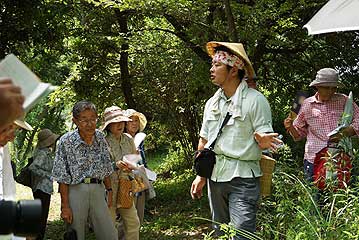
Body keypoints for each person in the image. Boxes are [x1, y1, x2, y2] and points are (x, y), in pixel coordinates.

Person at [190, 41, 281, 239]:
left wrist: (264, 142)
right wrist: (201, 175)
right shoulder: (211, 103)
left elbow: (266, 137)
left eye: (217, 65)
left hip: (243, 178)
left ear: (233, 71)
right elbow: (204, 140)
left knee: (241, 235)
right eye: (212, 64)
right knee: (219, 233)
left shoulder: (256, 100)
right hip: (215, 177)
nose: (211, 69)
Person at [51, 100, 117, 240]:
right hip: (76, 190)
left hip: (98, 190)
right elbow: (62, 176)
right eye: (84, 120)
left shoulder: (100, 137)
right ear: (75, 121)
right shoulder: (65, 141)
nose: (90, 124)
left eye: (93, 119)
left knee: (109, 234)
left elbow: (106, 167)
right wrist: (65, 207)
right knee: (76, 235)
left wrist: (109, 190)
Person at [284, 68, 359, 183]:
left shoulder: (344, 100)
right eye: (326, 87)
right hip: (313, 160)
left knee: (339, 197)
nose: (330, 91)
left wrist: (347, 131)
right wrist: (290, 127)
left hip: (340, 158)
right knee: (315, 198)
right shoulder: (307, 104)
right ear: (317, 87)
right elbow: (299, 134)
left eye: (333, 88)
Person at [101, 106, 140, 240]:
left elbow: (134, 159)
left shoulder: (128, 139)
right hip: (109, 187)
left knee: (133, 222)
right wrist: (115, 165)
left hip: (125, 185)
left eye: (122, 122)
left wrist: (131, 166)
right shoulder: (102, 142)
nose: (120, 125)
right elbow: (99, 168)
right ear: (108, 125)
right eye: (115, 123)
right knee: (110, 225)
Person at [0, 120, 33, 240]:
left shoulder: (4, 147)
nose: (12, 137)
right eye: (9, 128)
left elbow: (7, 182)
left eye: (16, 130)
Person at [29, 129, 59, 240]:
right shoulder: (42, 153)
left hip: (42, 188)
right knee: (42, 217)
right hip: (42, 188)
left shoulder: (42, 151)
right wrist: (48, 175)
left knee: (41, 216)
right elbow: (32, 168)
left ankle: (38, 237)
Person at [124, 109, 148, 224]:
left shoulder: (140, 138)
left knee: (139, 211)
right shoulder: (123, 139)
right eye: (131, 121)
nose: (134, 123)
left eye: (136, 121)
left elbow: (143, 160)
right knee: (128, 215)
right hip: (127, 181)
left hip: (140, 179)